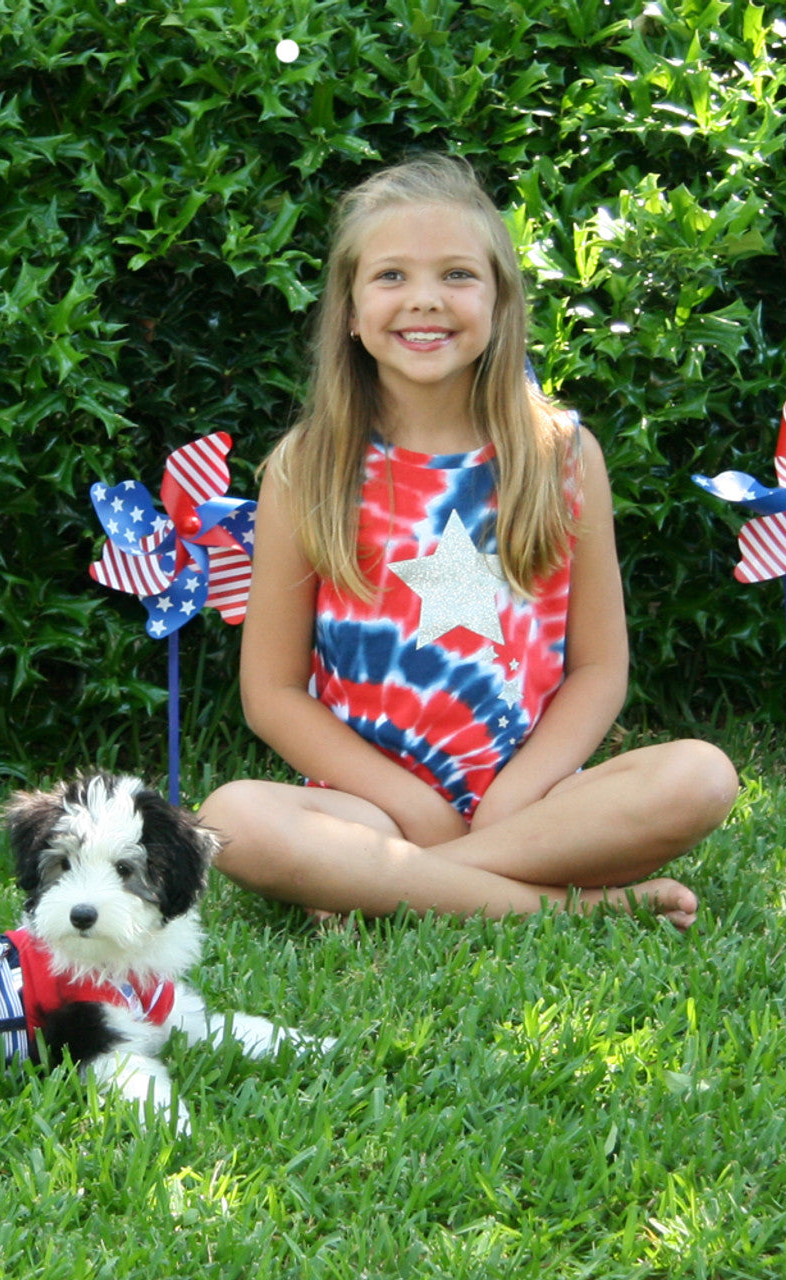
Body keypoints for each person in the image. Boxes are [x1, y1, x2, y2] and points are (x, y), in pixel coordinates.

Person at [199, 154, 738, 930]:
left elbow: (599, 668)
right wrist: (413, 806)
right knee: (236, 818)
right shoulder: (306, 467)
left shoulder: (562, 458)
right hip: (368, 811)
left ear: (500, 302)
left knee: (701, 775)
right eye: (391, 277)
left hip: (540, 803)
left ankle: (388, 889)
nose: (425, 300)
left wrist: (512, 798)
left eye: (457, 275)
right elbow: (273, 696)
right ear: (349, 311)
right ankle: (571, 908)